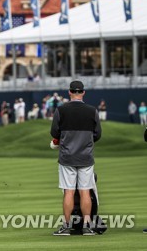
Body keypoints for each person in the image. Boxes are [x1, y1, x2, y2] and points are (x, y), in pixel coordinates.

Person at [51, 80, 101, 236]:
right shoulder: (92, 111)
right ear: (83, 92)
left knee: (69, 192)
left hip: (67, 157)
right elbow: (97, 134)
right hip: (85, 157)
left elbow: (55, 133)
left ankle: (66, 226)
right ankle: (87, 226)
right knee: (85, 191)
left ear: (69, 92)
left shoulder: (61, 110)